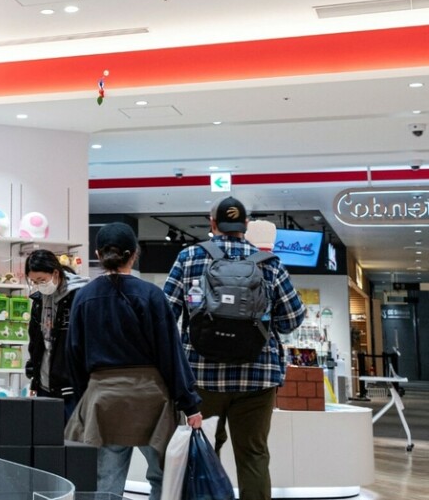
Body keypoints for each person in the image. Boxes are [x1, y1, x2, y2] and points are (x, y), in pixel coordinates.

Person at [164, 197, 305, 500]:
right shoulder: (269, 263)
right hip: (257, 378)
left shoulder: (189, 257)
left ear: (212, 223)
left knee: (202, 452)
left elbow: (166, 316)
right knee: (253, 454)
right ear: (246, 225)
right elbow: (292, 320)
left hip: (201, 378)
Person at [65, 222, 202, 498]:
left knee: (106, 481)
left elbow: (73, 354)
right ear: (135, 254)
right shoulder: (151, 295)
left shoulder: (84, 296)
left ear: (98, 254)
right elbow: (170, 353)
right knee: (164, 478)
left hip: (104, 401)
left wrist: (86, 396)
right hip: (152, 400)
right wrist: (190, 404)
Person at [24, 249, 88, 421]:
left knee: (71, 434)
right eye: (34, 281)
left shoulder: (79, 296)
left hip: (71, 387)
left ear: (55, 273)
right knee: (46, 433)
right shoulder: (39, 301)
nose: (39, 285)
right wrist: (34, 377)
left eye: (42, 280)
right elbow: (36, 341)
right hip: (45, 384)